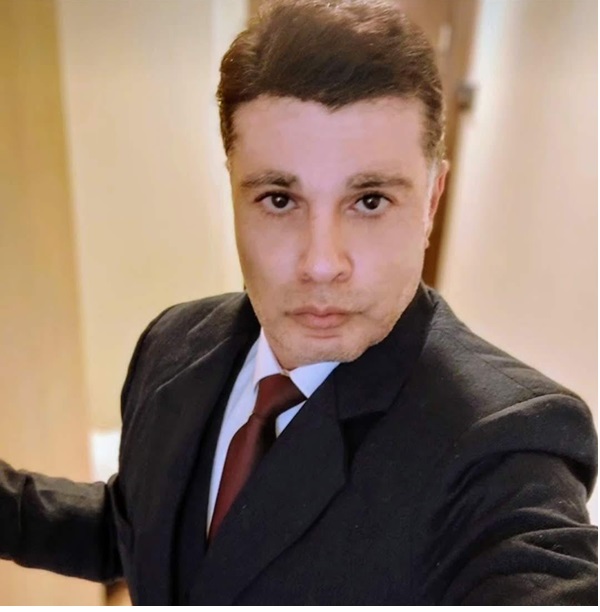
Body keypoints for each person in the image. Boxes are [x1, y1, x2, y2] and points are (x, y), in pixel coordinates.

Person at [0, 0, 597, 605]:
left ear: (431, 200)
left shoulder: (504, 445)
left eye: (369, 201)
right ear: (233, 189)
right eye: (280, 199)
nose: (320, 263)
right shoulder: (173, 343)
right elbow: (142, 529)